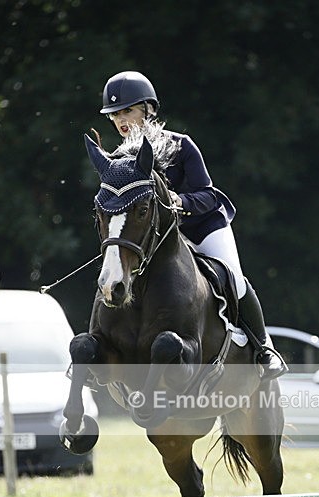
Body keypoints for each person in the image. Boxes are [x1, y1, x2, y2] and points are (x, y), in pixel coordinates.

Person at [98, 70, 287, 381]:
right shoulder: (119, 160)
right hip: (151, 239)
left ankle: (264, 349)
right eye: (115, 114)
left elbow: (208, 195)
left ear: (149, 109)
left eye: (127, 110)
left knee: (234, 279)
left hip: (201, 227)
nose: (121, 119)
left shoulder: (182, 146)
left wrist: (177, 201)